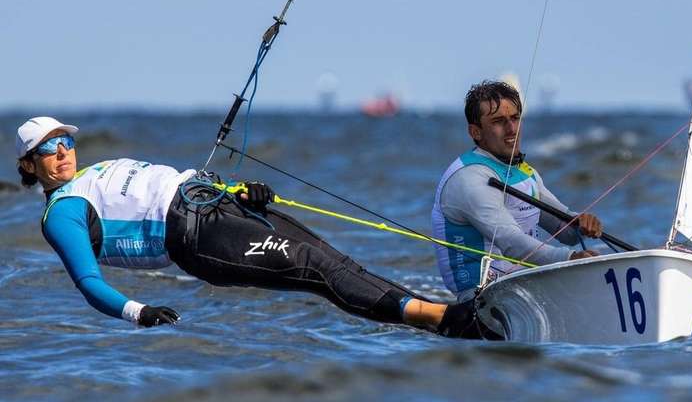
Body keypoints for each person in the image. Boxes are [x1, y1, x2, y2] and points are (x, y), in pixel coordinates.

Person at [17, 116, 485, 337]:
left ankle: (439, 312)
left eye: (64, 140)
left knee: (331, 256)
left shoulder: (94, 172)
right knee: (314, 267)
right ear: (29, 164)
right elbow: (88, 282)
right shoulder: (63, 211)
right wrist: (138, 312)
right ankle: (444, 321)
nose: (61, 151)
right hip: (194, 237)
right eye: (47, 148)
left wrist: (240, 189)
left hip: (214, 202)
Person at [432, 81, 603, 301]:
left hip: (523, 285)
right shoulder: (469, 178)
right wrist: (571, 259)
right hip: (480, 297)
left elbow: (565, 230)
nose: (512, 129)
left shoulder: (524, 172)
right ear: (475, 131)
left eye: (515, 118)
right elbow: (511, 242)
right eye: (498, 121)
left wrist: (582, 223)